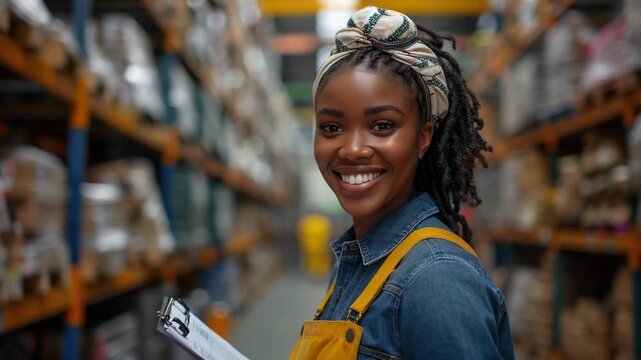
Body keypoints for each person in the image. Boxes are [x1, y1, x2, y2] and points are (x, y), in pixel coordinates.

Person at [290, 6, 515, 360]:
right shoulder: (359, 261)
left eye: (382, 126)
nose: (351, 150)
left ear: (424, 137)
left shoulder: (436, 280)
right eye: (332, 128)